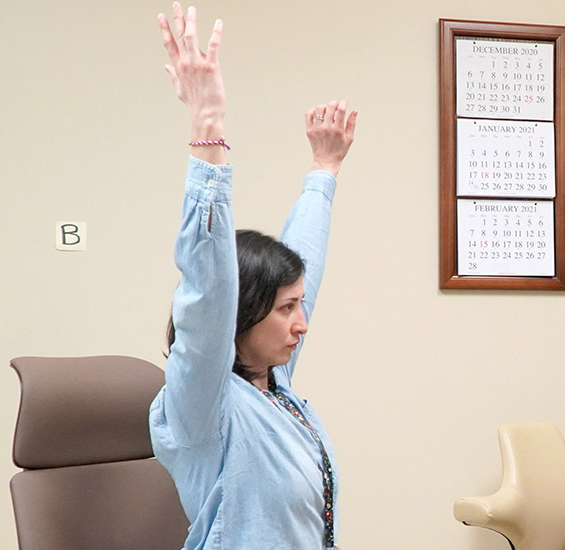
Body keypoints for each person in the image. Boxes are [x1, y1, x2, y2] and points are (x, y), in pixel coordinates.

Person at [148, 3, 356, 549]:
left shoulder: (274, 389)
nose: (302, 324)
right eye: (285, 309)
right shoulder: (203, 403)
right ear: (238, 317)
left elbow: (306, 258)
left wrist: (324, 171)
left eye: (300, 306)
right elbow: (208, 290)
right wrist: (207, 127)